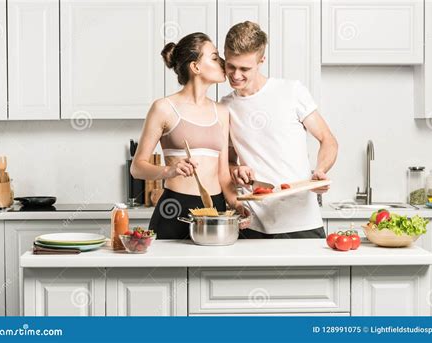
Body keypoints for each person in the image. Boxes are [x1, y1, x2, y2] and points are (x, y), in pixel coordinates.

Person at [220, 22, 338, 239]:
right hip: (253, 224)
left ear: (261, 61)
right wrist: (236, 170)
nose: (235, 75)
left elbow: (327, 139)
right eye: (230, 66)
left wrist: (320, 172)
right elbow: (227, 161)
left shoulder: (291, 91)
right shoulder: (225, 106)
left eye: (245, 68)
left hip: (301, 220)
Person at [131, 32, 249, 239]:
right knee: (170, 272)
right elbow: (137, 168)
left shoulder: (221, 111)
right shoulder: (164, 108)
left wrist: (236, 205)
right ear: (195, 67)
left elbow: (222, 174)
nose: (223, 62)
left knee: (210, 272)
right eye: (214, 57)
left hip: (216, 209)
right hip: (174, 207)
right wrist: (170, 170)